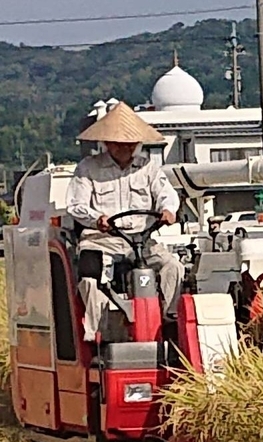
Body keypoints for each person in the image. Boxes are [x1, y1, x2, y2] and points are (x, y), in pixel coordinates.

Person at [66, 101, 185, 342]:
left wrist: (168, 210)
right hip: (101, 240)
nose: (127, 148)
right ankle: (97, 335)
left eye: (131, 143)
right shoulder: (88, 168)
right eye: (121, 143)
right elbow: (75, 206)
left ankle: (168, 319)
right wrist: (96, 219)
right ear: (107, 143)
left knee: (173, 266)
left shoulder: (148, 168)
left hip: (140, 240)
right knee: (91, 278)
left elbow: (166, 194)